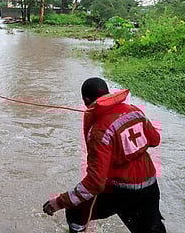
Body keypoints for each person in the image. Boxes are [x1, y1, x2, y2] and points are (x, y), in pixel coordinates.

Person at [43, 77, 166, 233]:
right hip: (150, 183)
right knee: (150, 227)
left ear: (86, 101)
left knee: (75, 212)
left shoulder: (99, 131)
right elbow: (155, 140)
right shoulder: (134, 111)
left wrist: (60, 202)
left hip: (122, 189)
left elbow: (95, 183)